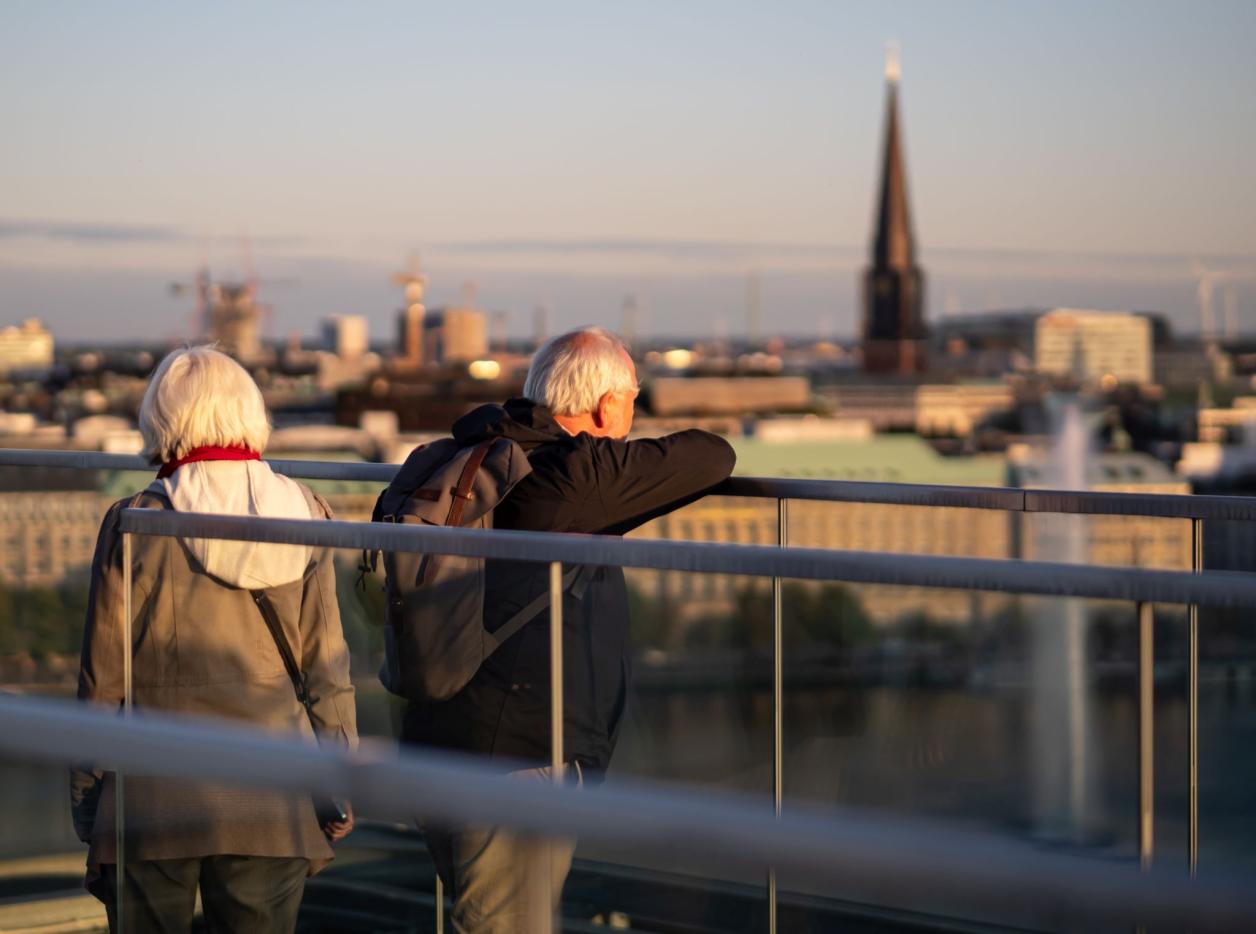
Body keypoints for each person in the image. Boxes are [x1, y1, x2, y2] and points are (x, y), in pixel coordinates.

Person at [402, 326, 736, 932]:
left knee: (479, 913)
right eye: (632, 399)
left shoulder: (471, 454)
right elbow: (714, 455)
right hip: (521, 757)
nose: (633, 414)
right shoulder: (576, 476)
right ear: (608, 404)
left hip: (436, 730)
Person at [70, 346, 358, 934]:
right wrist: (339, 783)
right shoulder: (306, 512)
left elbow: (103, 679)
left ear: (163, 418)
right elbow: (325, 667)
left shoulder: (137, 522)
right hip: (272, 792)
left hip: (152, 797)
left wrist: (86, 797)